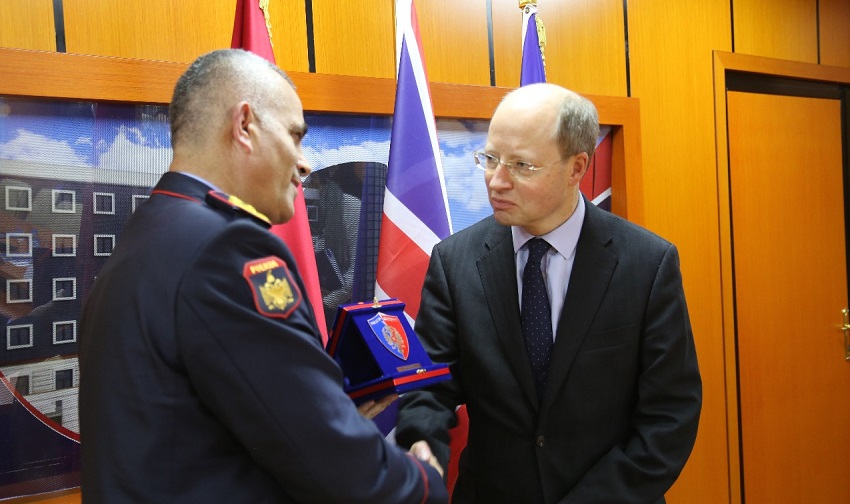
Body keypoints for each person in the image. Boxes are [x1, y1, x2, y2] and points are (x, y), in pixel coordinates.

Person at [78, 49, 447, 503]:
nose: (304, 163)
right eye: (295, 136)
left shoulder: (152, 229)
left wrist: (325, 402)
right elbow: (322, 454)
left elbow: (191, 419)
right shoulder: (227, 249)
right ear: (245, 125)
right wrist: (423, 484)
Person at [395, 83, 701, 504]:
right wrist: (422, 443)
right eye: (490, 159)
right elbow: (431, 385)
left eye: (522, 165)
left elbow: (670, 414)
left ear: (577, 167)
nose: (496, 181)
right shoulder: (455, 262)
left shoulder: (647, 264)